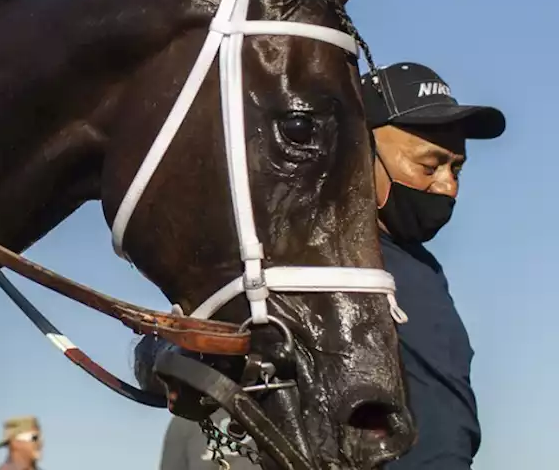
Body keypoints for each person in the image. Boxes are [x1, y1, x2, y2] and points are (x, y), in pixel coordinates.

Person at [149, 60, 506, 469]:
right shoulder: (296, 261)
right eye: (430, 165)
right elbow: (171, 351)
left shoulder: (425, 270)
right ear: (359, 149)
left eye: (456, 168)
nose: (448, 186)